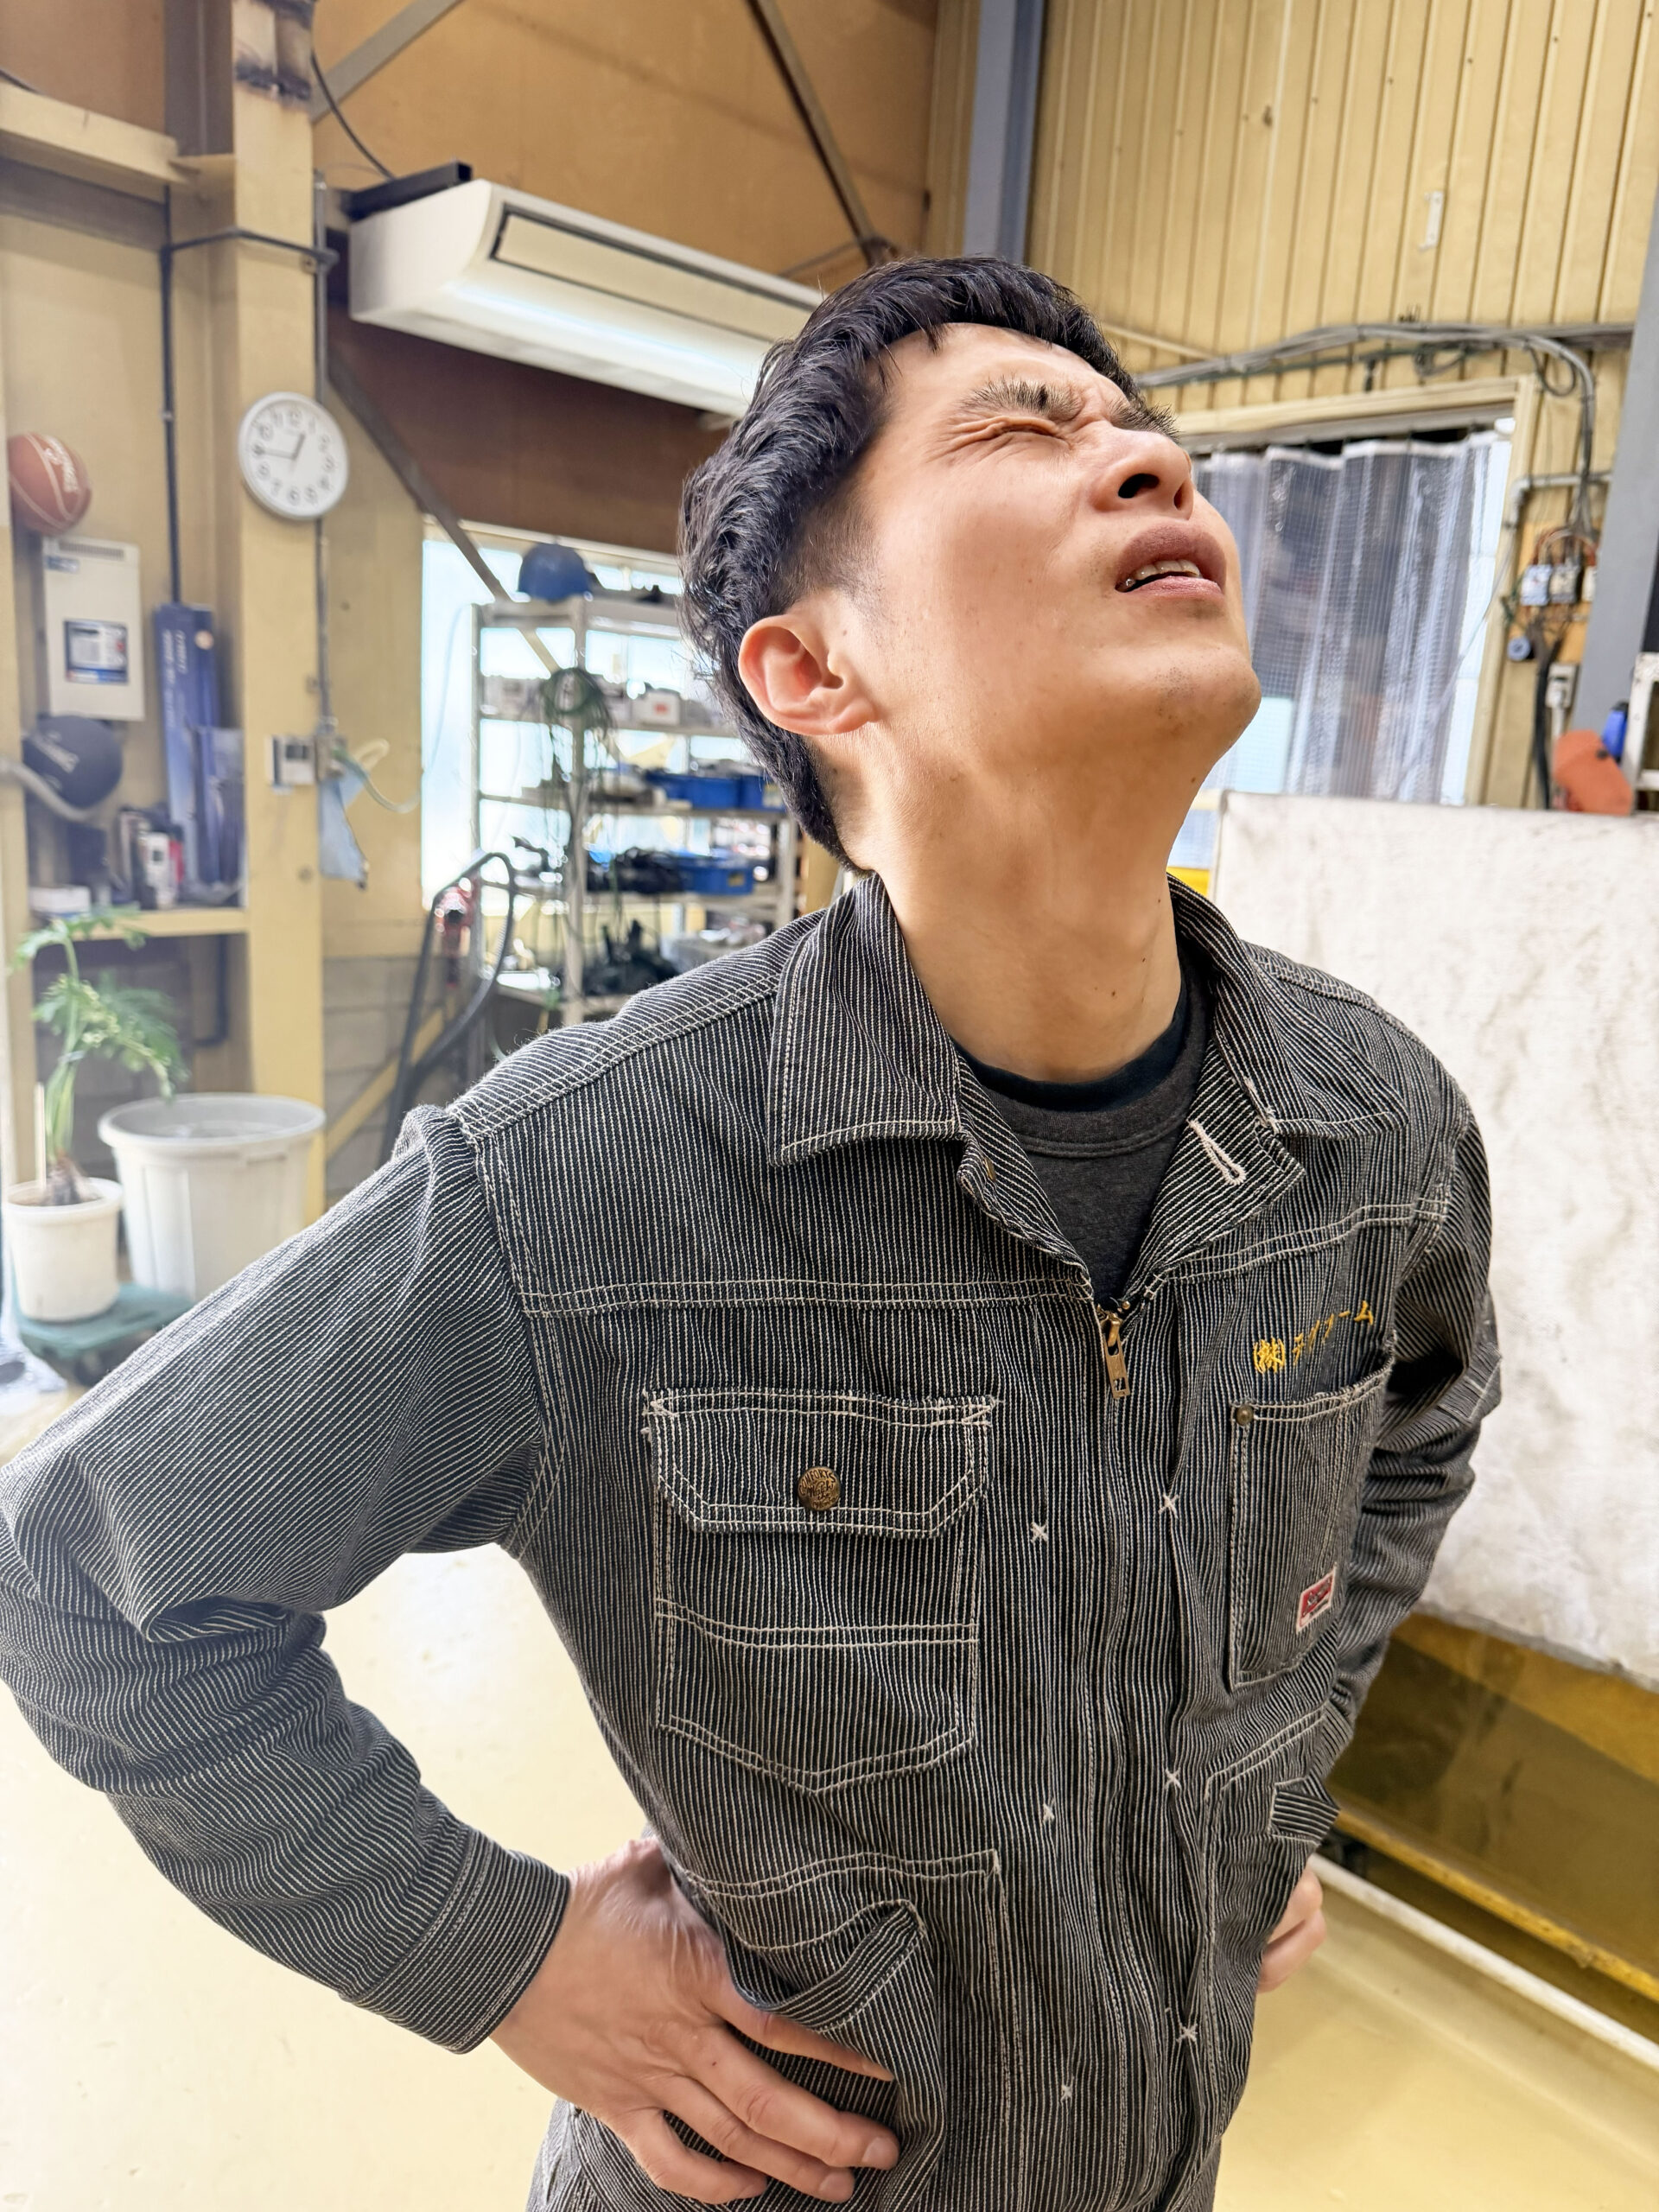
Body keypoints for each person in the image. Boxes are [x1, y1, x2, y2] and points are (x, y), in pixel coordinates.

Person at [0, 257, 1499, 2211]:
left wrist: (1260, 1772)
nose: (1147, 460)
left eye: (1142, 431)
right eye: (1022, 429)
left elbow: (1418, 1432)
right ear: (811, 672)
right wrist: (505, 1957)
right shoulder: (582, 1178)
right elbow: (86, 1583)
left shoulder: (1370, 1129)